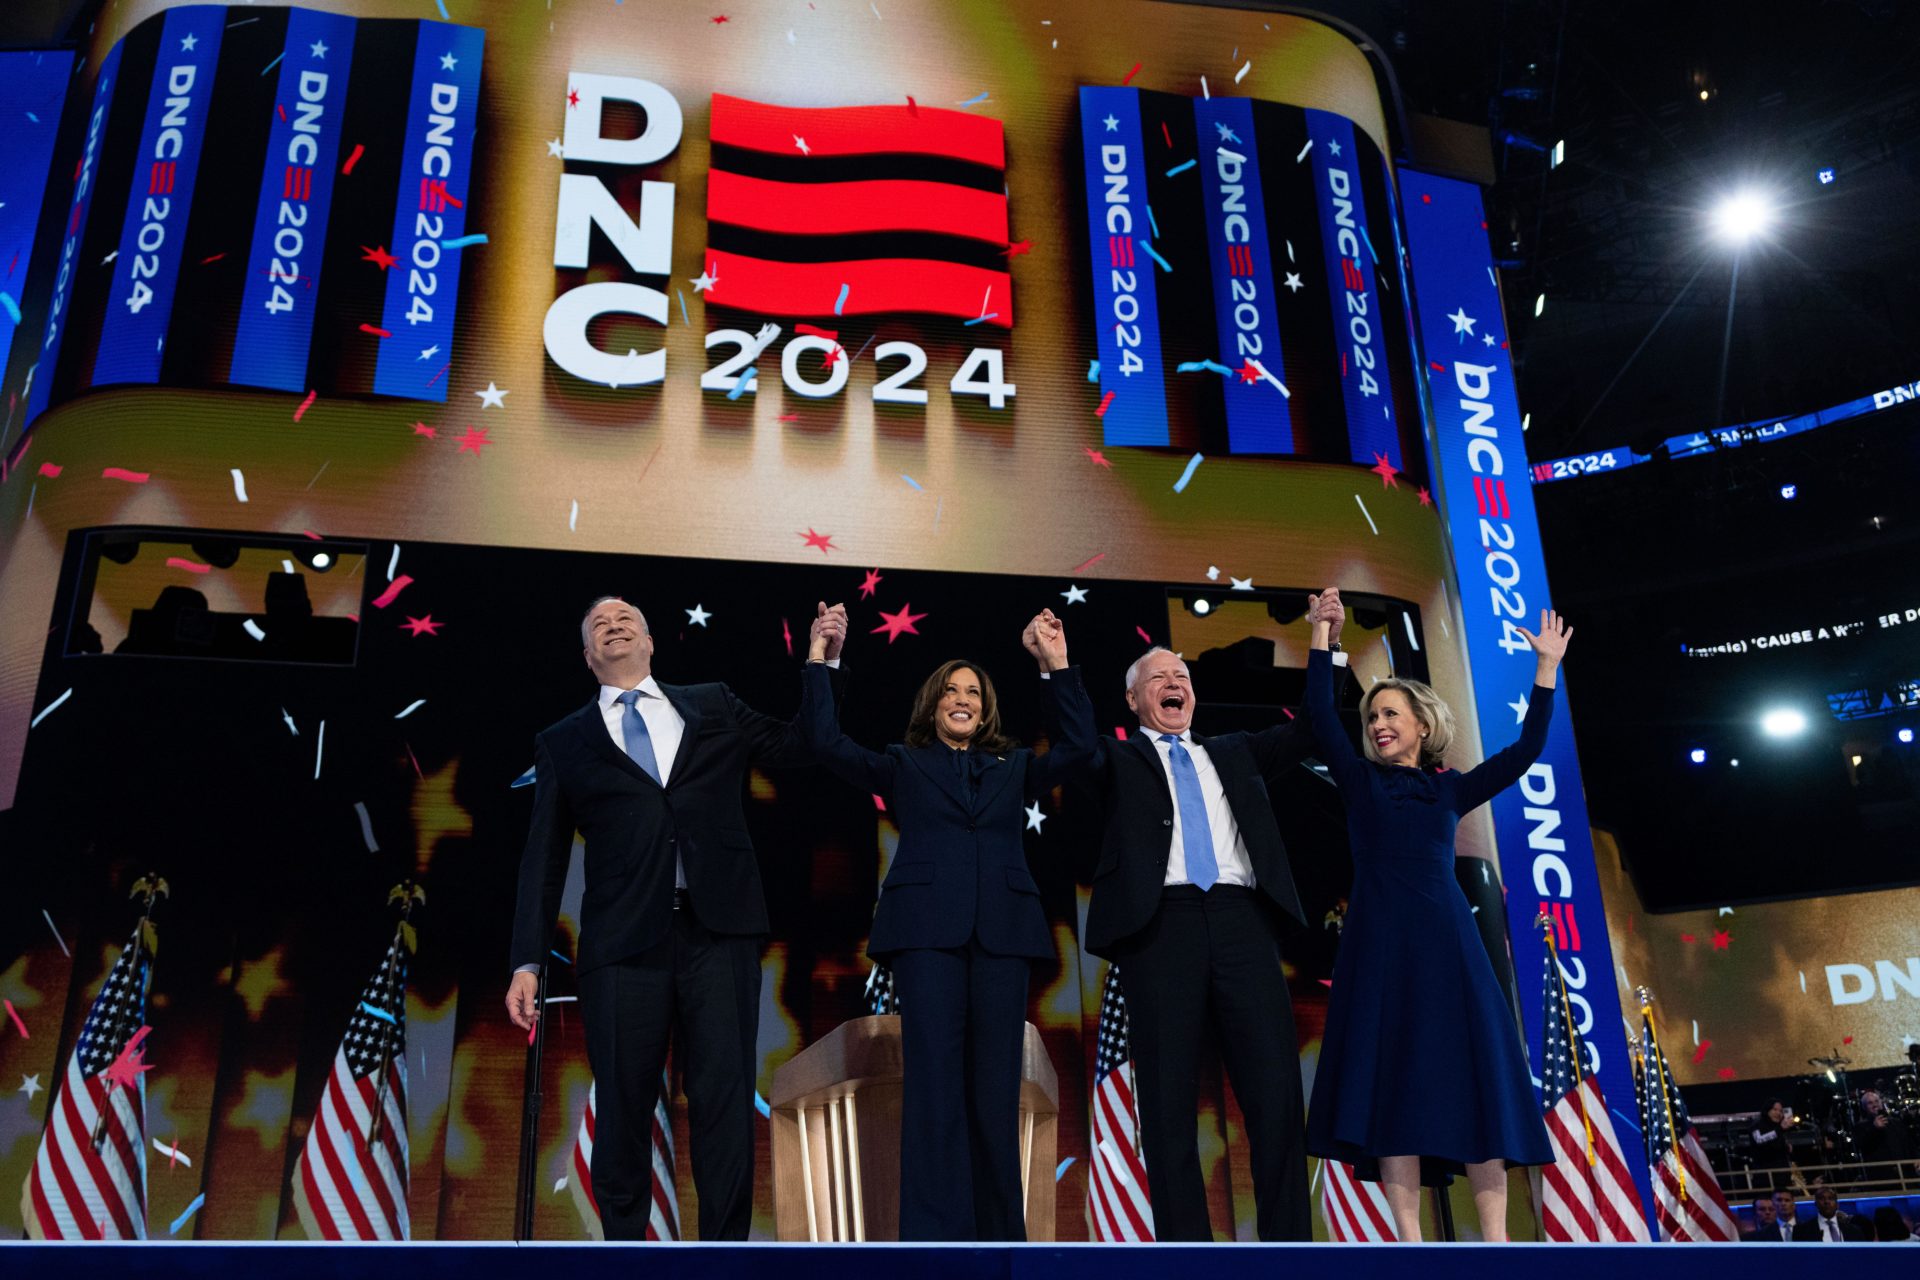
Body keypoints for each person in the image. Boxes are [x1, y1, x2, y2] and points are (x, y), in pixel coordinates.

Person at [505, 596, 848, 1240]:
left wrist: (819, 662)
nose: (613, 623)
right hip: (622, 946)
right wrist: (527, 957)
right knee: (625, 1109)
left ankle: (724, 1257)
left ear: (651, 640)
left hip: (718, 934)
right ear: (587, 657)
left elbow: (801, 744)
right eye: (598, 624)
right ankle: (627, 1257)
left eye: (625, 616)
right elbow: (542, 861)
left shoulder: (713, 703)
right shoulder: (563, 741)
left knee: (722, 1103)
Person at [796, 607, 1094, 1240]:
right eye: (952, 691)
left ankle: (997, 1240)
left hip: (1003, 937)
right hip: (927, 936)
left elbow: (1080, 749)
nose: (963, 699)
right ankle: (934, 1239)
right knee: (933, 1087)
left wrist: (1056, 664)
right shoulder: (904, 763)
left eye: (975, 693)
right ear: (933, 706)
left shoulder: (1012, 768)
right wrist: (822, 658)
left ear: (986, 712)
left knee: (994, 1090)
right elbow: (824, 743)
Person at [1079, 590, 1351, 1241]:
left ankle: (1289, 1251)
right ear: (1134, 700)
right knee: (1167, 1105)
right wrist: (1058, 669)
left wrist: (1324, 642)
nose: (1175, 684)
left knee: (1276, 1096)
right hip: (1160, 928)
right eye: (1159, 678)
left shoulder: (1235, 750)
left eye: (1183, 677)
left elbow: (1315, 724)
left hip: (1241, 923)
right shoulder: (1118, 758)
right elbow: (1069, 743)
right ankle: (1186, 1256)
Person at [1302, 607, 1572, 1242]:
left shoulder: (1450, 790)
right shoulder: (1358, 780)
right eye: (1372, 717)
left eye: (1390, 713)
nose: (1378, 724)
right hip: (1378, 950)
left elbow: (1527, 750)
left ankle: (1498, 1241)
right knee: (1391, 1085)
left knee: (1476, 1080)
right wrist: (1322, 638)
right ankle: (1409, 1243)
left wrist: (1546, 670)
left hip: (1449, 947)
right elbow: (1320, 714)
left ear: (1422, 725)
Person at [1856, 1089, 1918, 1176]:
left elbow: (1909, 1142)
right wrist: (1874, 1128)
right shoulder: (1861, 1126)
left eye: (1876, 1101)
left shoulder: (1896, 1122)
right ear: (1864, 1107)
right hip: (1882, 1176)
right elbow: (1862, 1145)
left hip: (1906, 1172)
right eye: (1870, 1103)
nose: (1874, 1105)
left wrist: (1916, 1158)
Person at [1792, 1181, 1871, 1240]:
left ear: (1837, 1204)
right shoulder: (1802, 1231)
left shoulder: (1854, 1231)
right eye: (1822, 1198)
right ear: (1815, 1204)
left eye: (1831, 1198)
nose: (1827, 1202)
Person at [1749, 1098, 1796, 1189]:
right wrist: (1780, 1129)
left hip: (1782, 1175)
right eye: (1775, 1110)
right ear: (1767, 1110)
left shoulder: (1779, 1127)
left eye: (1781, 1111)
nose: (1778, 1113)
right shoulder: (1757, 1125)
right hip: (1765, 1175)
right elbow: (1759, 1140)